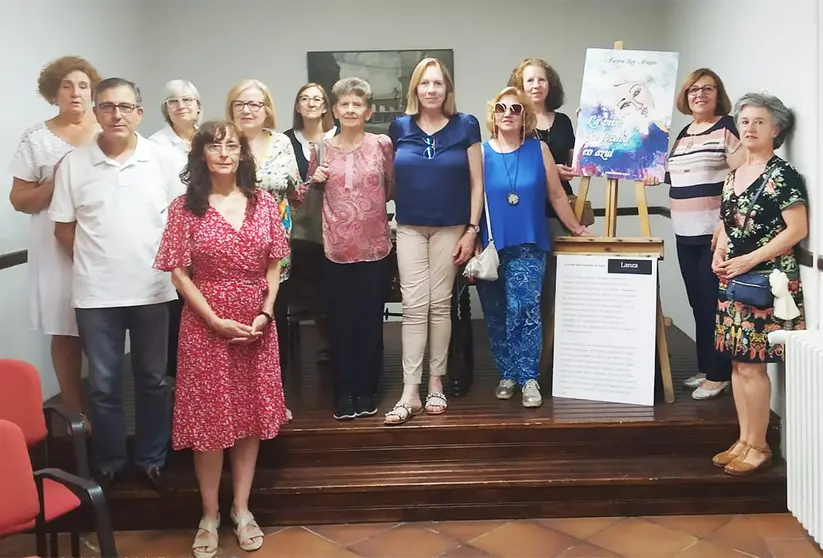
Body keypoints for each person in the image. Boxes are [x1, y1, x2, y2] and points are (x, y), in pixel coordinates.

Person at [155, 120, 290, 556]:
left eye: (233, 145)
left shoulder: (264, 202)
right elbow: (178, 272)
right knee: (209, 425)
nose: (225, 153)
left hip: (256, 324)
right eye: (215, 146)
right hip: (204, 325)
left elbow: (275, 263)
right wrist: (213, 319)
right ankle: (209, 514)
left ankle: (242, 509)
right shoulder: (184, 207)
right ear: (201, 156)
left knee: (249, 418)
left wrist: (265, 312)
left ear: (243, 154)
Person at [48, 78, 183, 492]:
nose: (117, 115)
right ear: (96, 113)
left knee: (153, 380)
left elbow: (179, 222)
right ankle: (108, 462)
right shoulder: (74, 164)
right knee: (104, 386)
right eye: (107, 107)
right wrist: (97, 263)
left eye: (126, 107)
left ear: (139, 113)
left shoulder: (161, 159)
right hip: (96, 296)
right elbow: (63, 229)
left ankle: (151, 460)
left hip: (153, 291)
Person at [476, 87, 590, 408]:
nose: (508, 113)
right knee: (497, 314)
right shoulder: (480, 152)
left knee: (524, 310)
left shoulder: (539, 149)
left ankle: (528, 377)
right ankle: (507, 373)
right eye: (501, 108)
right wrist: (471, 237)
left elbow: (556, 195)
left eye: (515, 108)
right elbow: (472, 198)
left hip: (529, 241)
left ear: (525, 114)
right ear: (493, 114)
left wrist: (576, 227)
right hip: (491, 245)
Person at [712, 93, 808, 476]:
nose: (750, 128)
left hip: (768, 283)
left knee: (754, 367)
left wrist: (751, 259)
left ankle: (760, 445)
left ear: (776, 130)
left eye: (759, 122)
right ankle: (744, 438)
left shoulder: (782, 174)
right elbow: (726, 224)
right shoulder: (734, 174)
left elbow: (797, 229)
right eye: (745, 121)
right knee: (738, 365)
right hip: (733, 279)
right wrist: (719, 251)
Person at [385, 58, 483, 425]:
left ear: (447, 89)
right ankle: (410, 390)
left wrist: (472, 230)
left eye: (438, 83)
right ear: (415, 88)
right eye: (424, 83)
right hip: (409, 226)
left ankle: (436, 382)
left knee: (439, 306)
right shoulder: (400, 127)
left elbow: (478, 183)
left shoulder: (466, 125)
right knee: (413, 305)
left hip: (451, 228)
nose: (431, 89)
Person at [8, 56, 101, 424]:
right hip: (53, 244)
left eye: (82, 85)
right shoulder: (37, 137)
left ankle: (108, 409)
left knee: (102, 328)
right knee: (65, 329)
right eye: (66, 85)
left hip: (102, 240)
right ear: (53, 93)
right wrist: (55, 182)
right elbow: (19, 199)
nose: (75, 92)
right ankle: (78, 416)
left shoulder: (109, 129)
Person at [655, 69, 744, 400]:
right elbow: (673, 175)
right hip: (684, 232)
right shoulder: (684, 134)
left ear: (718, 94)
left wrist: (725, 222)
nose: (700, 94)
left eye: (708, 89)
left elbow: (743, 173)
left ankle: (720, 374)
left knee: (713, 304)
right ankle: (707, 368)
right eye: (693, 90)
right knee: (698, 304)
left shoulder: (727, 128)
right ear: (685, 96)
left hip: (714, 234)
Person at [307, 78, 394, 420]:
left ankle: (367, 390)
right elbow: (309, 191)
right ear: (335, 110)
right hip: (335, 250)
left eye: (358, 104)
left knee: (370, 322)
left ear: (368, 110)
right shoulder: (321, 149)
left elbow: (390, 187)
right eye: (344, 104)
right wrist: (314, 180)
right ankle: (345, 392)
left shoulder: (382, 144)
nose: (351, 110)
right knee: (340, 323)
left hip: (374, 248)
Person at [507, 57, 578, 379]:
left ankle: (559, 359)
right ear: (519, 87)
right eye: (529, 81)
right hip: (526, 212)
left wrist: (591, 137)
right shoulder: (514, 120)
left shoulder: (563, 121)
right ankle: (531, 365)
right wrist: (547, 170)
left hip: (560, 209)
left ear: (551, 85)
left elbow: (577, 163)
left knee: (561, 289)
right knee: (531, 294)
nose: (536, 86)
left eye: (541, 80)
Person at [227, 79, 301, 378]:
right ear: (230, 109)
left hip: (274, 247)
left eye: (255, 104)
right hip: (230, 247)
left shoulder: (281, 143)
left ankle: (273, 390)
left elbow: (296, 192)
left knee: (273, 316)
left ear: (267, 109)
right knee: (236, 320)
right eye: (240, 104)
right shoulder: (223, 140)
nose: (248, 110)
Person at [149, 79, 202, 381]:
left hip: (209, 237)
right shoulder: (155, 145)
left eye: (187, 100)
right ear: (165, 109)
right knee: (177, 315)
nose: (181, 106)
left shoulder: (209, 138)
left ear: (198, 106)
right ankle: (177, 384)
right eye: (173, 102)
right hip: (175, 237)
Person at [283, 83, 337, 364]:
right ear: (297, 106)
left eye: (317, 99)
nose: (311, 103)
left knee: (337, 287)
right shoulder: (284, 141)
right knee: (311, 287)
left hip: (338, 225)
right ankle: (323, 342)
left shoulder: (339, 137)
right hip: (302, 229)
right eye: (304, 98)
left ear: (327, 106)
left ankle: (339, 340)